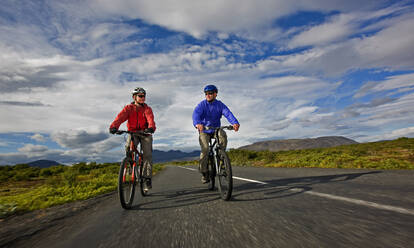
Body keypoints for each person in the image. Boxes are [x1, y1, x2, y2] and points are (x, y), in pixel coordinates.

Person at [109, 87, 156, 191]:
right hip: (133, 132)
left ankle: (147, 178)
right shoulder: (128, 108)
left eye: (144, 96)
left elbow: (150, 119)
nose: (143, 98)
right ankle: (130, 165)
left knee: (147, 155)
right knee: (128, 148)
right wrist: (114, 127)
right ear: (134, 97)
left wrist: (151, 128)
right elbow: (120, 118)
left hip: (145, 133)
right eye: (140, 96)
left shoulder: (147, 109)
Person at [192, 84, 240, 183]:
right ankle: (204, 173)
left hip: (215, 129)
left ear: (215, 94)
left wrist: (234, 122)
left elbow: (227, 113)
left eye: (210, 93)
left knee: (222, 135)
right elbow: (196, 114)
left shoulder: (220, 105)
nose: (208, 95)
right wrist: (197, 124)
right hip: (204, 130)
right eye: (206, 94)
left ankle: (221, 158)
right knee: (205, 149)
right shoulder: (202, 105)